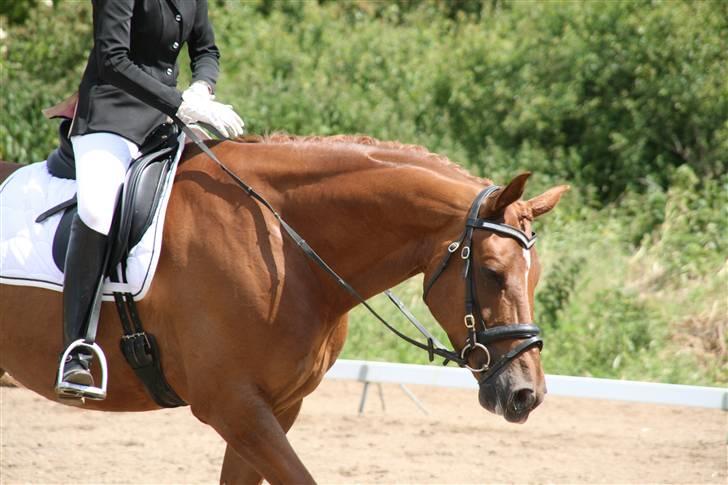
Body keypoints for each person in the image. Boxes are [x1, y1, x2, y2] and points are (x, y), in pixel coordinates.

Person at [56, 0, 243, 398]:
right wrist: (179, 103)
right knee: (97, 207)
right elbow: (112, 59)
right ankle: (77, 348)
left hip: (166, 122)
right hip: (111, 115)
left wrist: (201, 88)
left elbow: (206, 50)